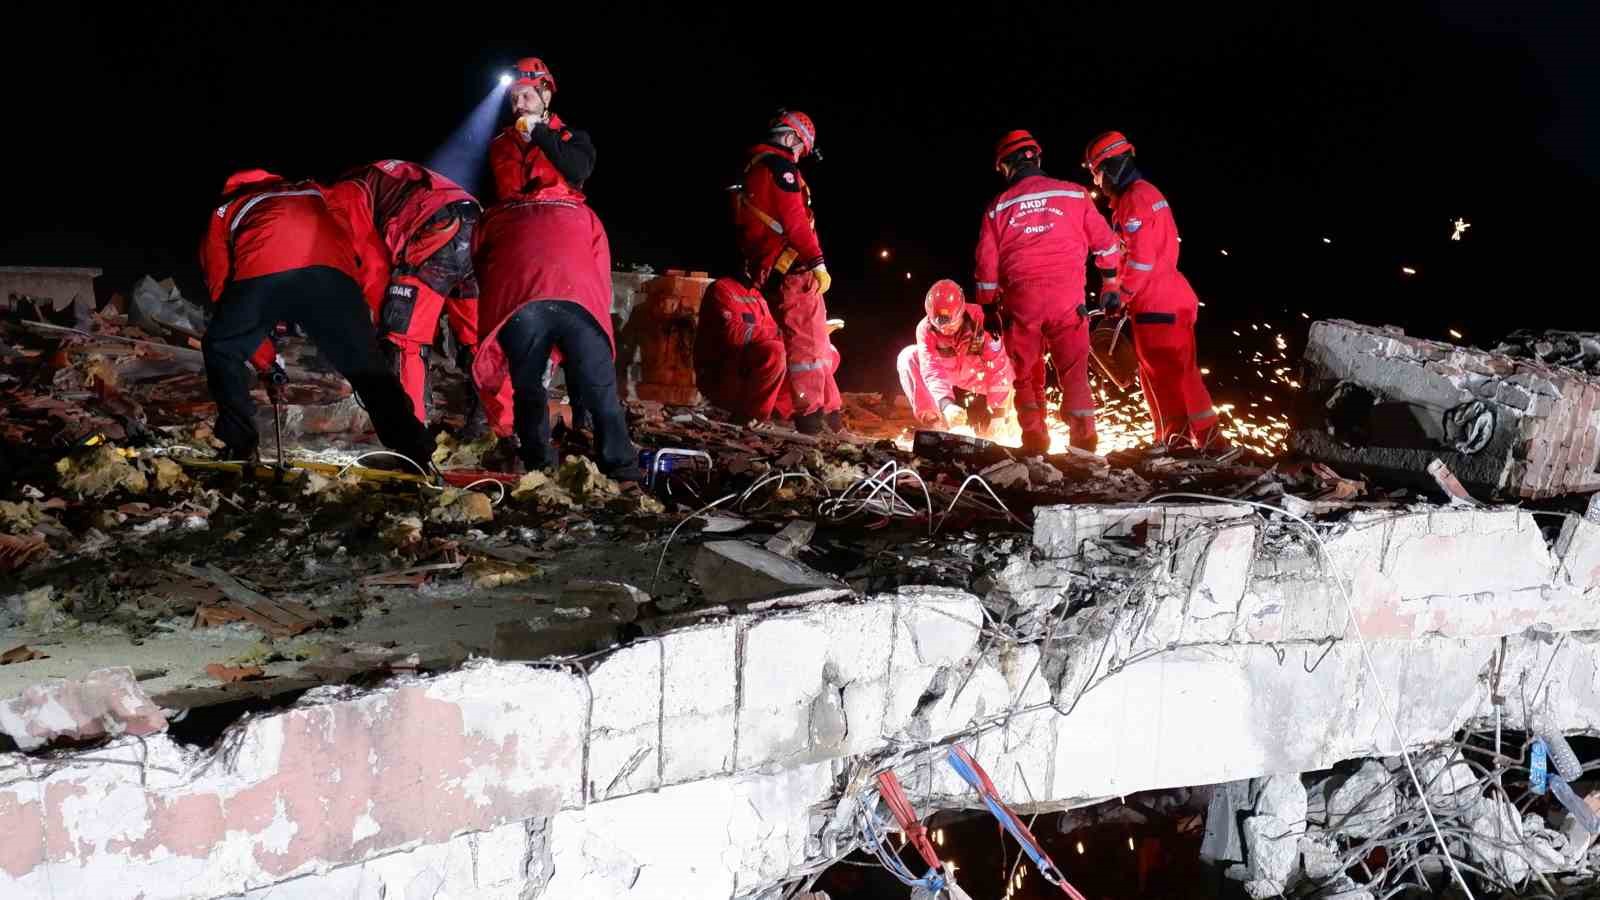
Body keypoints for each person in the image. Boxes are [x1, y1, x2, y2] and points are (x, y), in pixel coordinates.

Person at [199, 169, 433, 468]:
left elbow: (221, 284)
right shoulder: (315, 190)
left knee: (222, 349)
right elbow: (368, 249)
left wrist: (266, 363)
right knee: (366, 366)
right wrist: (372, 318)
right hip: (332, 277)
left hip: (263, 271)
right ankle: (416, 452)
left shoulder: (225, 209)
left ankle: (240, 446)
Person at [470, 182, 642, 480]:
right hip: (579, 302)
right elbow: (601, 269)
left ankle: (539, 467)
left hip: (520, 304)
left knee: (529, 389)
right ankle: (622, 471)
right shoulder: (584, 213)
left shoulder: (495, 215)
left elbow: (480, 264)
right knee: (602, 392)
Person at [973, 130, 1122, 455]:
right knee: (1074, 372)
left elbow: (986, 267)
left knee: (1026, 375)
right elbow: (1106, 244)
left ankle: (1036, 441)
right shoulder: (1074, 194)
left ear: (1006, 166)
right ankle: (1084, 443)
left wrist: (988, 308)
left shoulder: (997, 208)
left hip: (1022, 304)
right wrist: (1110, 284)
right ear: (1036, 158)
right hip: (1068, 302)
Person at [323, 160, 487, 430]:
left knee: (403, 341)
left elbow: (372, 263)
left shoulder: (344, 194)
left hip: (437, 229)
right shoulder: (385, 178)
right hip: (476, 224)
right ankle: (500, 433)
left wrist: (382, 323)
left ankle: (411, 436)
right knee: (477, 340)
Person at [1084, 131, 1221, 451]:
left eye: (1097, 173)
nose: (1098, 182)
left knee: (1161, 376)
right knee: (1180, 374)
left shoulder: (1134, 200)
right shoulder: (1146, 193)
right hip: (1171, 297)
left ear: (1112, 166)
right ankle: (1203, 441)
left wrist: (1121, 293)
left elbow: (1142, 259)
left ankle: (1178, 442)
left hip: (1155, 303)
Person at [731, 110, 842, 434]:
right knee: (808, 348)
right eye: (800, 150)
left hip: (780, 269)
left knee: (817, 343)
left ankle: (831, 413)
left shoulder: (755, 167)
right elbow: (795, 222)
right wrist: (818, 261)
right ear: (793, 138)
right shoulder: (780, 168)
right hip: (793, 270)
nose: (799, 157)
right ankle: (812, 418)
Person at [895, 279, 1014, 437]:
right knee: (908, 357)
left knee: (1014, 364)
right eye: (940, 327)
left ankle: (1010, 422)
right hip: (949, 373)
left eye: (951, 325)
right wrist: (946, 405)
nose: (945, 331)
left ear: (961, 311)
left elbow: (999, 365)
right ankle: (936, 423)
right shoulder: (925, 329)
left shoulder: (983, 320)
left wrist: (998, 413)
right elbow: (931, 369)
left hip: (980, 376)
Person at [488, 57, 595, 201]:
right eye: (514, 98)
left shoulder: (571, 137)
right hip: (511, 220)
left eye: (526, 96)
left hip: (560, 219)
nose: (518, 104)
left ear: (545, 96)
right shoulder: (499, 144)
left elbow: (579, 171)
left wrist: (538, 131)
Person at [693, 274, 789, 423]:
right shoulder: (722, 289)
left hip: (744, 371)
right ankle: (754, 417)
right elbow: (732, 333)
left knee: (813, 353)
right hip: (722, 374)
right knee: (775, 351)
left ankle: (781, 413)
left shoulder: (756, 295)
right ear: (747, 265)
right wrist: (776, 334)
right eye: (765, 268)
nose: (769, 274)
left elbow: (772, 329)